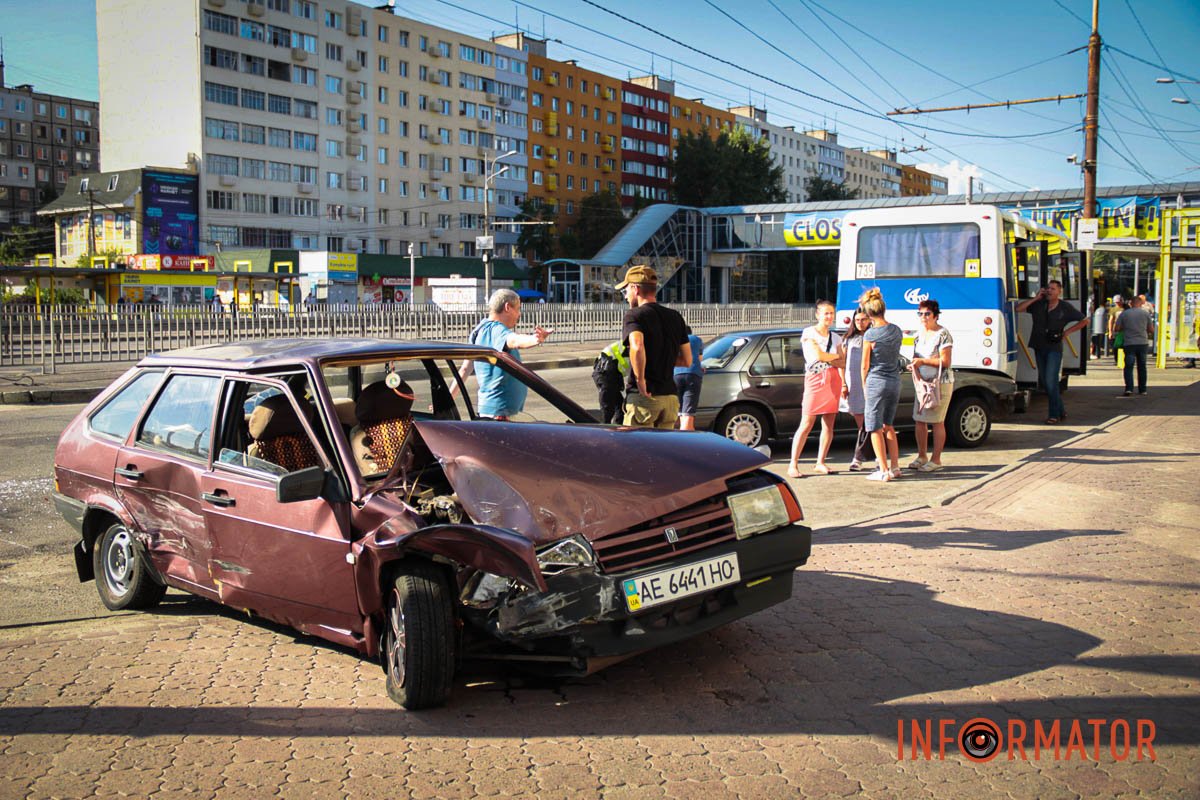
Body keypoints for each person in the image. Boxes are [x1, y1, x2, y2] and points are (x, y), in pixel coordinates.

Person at [458, 288, 552, 420]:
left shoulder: (479, 330)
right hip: (499, 413)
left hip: (491, 409)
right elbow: (514, 340)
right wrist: (535, 339)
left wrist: (447, 398)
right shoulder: (497, 330)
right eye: (518, 309)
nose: (519, 314)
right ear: (507, 307)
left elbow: (465, 369)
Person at [617, 265, 691, 429]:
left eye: (626, 290)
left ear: (635, 289)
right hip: (670, 400)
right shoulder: (675, 317)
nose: (626, 297)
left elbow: (637, 345)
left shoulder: (634, 315)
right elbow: (687, 360)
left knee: (635, 451)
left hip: (644, 399)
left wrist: (640, 380)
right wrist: (664, 359)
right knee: (661, 452)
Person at [1016, 280, 1088, 425]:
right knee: (1046, 382)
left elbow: (1084, 320)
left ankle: (1053, 415)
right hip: (1038, 345)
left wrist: (1067, 332)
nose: (1050, 291)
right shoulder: (1039, 304)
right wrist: (1036, 298)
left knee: (1051, 381)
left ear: (1059, 291)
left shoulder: (1064, 307)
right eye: (1048, 288)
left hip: (1054, 348)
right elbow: (1018, 309)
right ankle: (1061, 410)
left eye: (1053, 289)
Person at [787, 300, 844, 478]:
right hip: (815, 379)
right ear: (817, 315)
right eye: (826, 313)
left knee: (829, 423)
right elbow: (818, 355)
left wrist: (831, 358)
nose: (829, 317)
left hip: (833, 379)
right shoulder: (809, 332)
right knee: (807, 422)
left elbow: (843, 361)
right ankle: (793, 464)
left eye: (831, 313)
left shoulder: (836, 337)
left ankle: (821, 461)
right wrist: (833, 357)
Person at [859, 288, 903, 481]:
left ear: (868, 314)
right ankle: (895, 466)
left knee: (874, 427)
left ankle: (883, 470)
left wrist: (864, 387)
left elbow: (864, 365)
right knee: (889, 425)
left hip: (876, 382)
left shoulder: (870, 335)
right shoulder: (896, 330)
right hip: (895, 381)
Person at [908, 299, 954, 473]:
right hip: (922, 383)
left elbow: (946, 361)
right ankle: (921, 456)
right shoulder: (918, 334)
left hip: (939, 383)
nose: (923, 317)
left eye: (927, 314)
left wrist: (923, 361)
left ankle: (936, 459)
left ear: (935, 315)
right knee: (919, 419)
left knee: (936, 420)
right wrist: (915, 366)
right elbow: (916, 357)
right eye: (920, 313)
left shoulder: (943, 334)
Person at [839, 308, 873, 471]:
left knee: (873, 424)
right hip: (854, 385)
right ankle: (861, 458)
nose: (860, 323)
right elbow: (841, 363)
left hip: (870, 384)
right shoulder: (848, 339)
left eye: (864, 319)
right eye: (857, 320)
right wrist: (844, 384)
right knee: (862, 425)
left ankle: (860, 458)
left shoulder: (873, 336)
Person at [1114, 295, 1155, 397]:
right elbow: (1151, 330)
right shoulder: (1145, 314)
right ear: (1140, 303)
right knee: (1142, 367)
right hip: (1143, 343)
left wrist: (1125, 327)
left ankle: (1129, 389)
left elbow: (1117, 328)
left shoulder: (1124, 314)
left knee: (1128, 366)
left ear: (1130, 303)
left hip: (1129, 343)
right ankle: (1143, 389)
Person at [592, 340, 629, 424]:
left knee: (619, 408)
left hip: (610, 371)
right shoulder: (637, 345)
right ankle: (604, 432)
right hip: (605, 371)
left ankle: (616, 430)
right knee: (608, 409)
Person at [673, 332, 704, 431]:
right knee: (688, 414)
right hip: (693, 374)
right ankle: (686, 442)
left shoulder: (675, 339)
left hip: (675, 374)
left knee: (680, 411)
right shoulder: (697, 339)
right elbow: (699, 359)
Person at [1109, 296, 1126, 366]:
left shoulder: (1126, 308)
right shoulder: (1113, 310)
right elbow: (1111, 320)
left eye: (1119, 302)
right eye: (1116, 302)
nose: (1118, 304)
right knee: (1116, 346)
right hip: (1116, 329)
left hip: (1125, 329)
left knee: (1125, 345)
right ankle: (1117, 360)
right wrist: (1110, 331)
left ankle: (1124, 359)